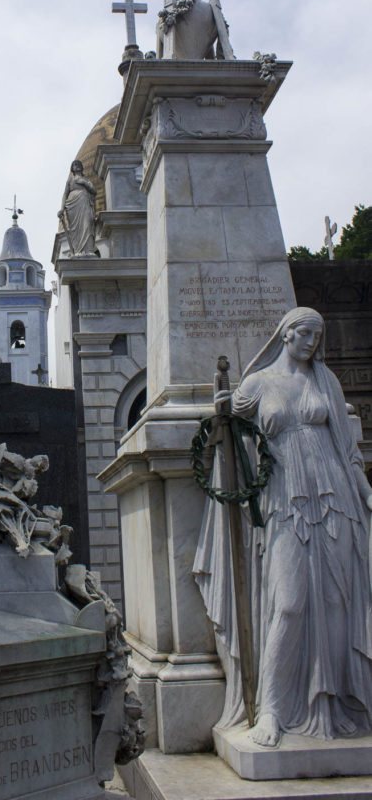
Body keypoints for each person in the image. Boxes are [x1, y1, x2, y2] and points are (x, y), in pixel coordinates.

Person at [194, 307, 372, 747]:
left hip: (336, 497)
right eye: (304, 333)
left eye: (318, 334)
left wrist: (367, 493)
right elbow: (229, 423)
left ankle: (333, 702)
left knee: (336, 603)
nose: (312, 342)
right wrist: (219, 410)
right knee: (288, 605)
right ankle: (271, 708)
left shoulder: (325, 382)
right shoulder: (258, 384)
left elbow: (348, 450)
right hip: (285, 499)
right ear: (285, 334)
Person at [58, 160, 97, 256]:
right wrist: (62, 209)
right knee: (75, 230)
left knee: (87, 224)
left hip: (85, 203)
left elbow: (94, 191)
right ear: (72, 168)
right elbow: (65, 194)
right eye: (75, 165)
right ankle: (77, 251)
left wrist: (84, 183)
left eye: (79, 164)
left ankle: (88, 250)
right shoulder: (70, 180)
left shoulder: (85, 179)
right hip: (73, 206)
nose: (77, 166)